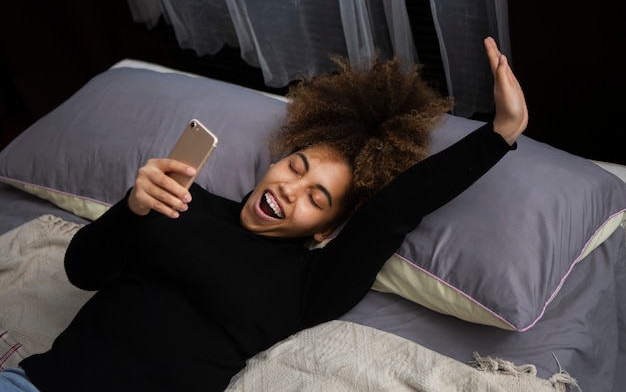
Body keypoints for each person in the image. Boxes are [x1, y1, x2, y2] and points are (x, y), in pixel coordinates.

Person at [1, 37, 527, 392]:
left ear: (325, 228)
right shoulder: (183, 200)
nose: (293, 189)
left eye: (318, 197)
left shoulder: (309, 283)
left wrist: (500, 134)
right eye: (295, 167)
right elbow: (82, 273)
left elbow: (394, 211)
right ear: (275, 161)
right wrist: (132, 208)